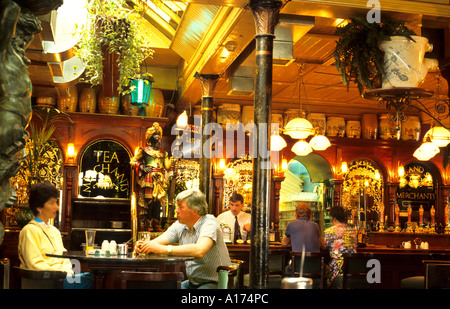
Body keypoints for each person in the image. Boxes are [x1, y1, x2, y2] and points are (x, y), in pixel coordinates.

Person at [134, 189, 231, 289]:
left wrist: (161, 249)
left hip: (215, 283)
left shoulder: (209, 222)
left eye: (180, 207)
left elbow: (200, 250)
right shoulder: (180, 225)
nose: (176, 210)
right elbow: (156, 242)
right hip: (193, 283)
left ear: (195, 210)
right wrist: (144, 245)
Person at [18, 182, 92, 289]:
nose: (56, 207)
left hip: (62, 277)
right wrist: (61, 272)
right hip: (46, 281)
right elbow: (34, 264)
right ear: (39, 207)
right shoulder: (29, 231)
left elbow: (64, 257)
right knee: (94, 281)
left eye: (56, 203)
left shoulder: (54, 231)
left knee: (94, 277)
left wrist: (68, 271)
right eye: (51, 203)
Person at [130, 122, 172, 231]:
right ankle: (146, 223)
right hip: (149, 178)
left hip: (160, 179)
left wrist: (173, 158)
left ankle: (156, 223)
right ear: (150, 136)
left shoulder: (164, 153)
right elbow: (132, 161)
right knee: (149, 202)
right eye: (155, 134)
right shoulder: (143, 150)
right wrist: (142, 167)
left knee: (158, 202)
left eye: (158, 134)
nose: (157, 136)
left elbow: (167, 166)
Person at [321, 206, 357, 288]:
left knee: (322, 272)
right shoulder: (352, 231)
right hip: (353, 271)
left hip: (338, 272)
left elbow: (323, 246)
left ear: (334, 218)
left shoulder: (329, 231)